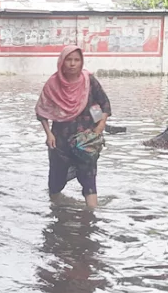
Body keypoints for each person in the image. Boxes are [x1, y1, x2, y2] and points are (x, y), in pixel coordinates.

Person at [36, 46, 112, 209]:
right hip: (60, 140)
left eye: (76, 60)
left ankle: (92, 216)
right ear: (62, 62)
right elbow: (42, 111)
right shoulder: (53, 84)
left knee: (89, 179)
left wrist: (98, 129)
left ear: (81, 62)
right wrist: (48, 134)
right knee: (55, 181)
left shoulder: (89, 81)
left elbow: (104, 104)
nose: (72, 64)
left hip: (86, 138)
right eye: (68, 60)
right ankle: (56, 211)